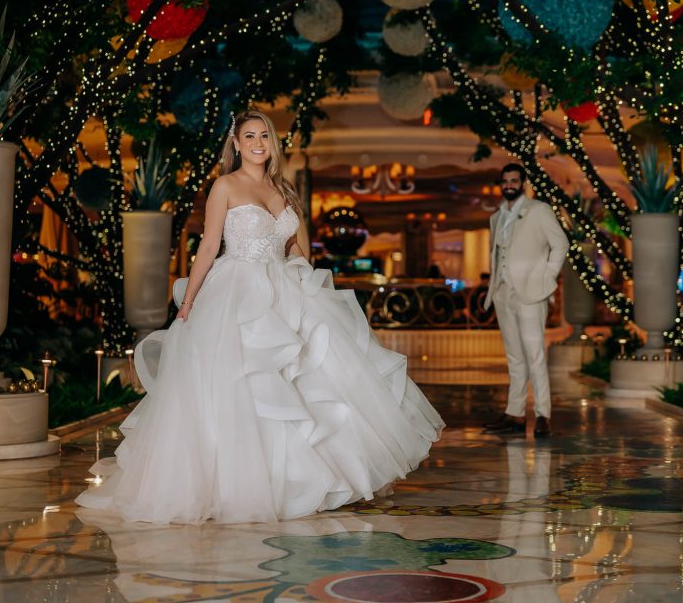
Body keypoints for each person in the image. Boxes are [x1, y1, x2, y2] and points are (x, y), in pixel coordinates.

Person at [76, 110, 444, 524]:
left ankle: (304, 482)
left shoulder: (284, 190)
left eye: (264, 135)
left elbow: (297, 250)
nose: (257, 143)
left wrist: (311, 288)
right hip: (237, 291)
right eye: (248, 135)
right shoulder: (225, 186)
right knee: (244, 384)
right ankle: (240, 484)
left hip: (285, 288)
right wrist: (189, 300)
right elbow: (210, 245)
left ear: (273, 143)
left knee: (305, 380)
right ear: (235, 143)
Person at [482, 163, 567, 438]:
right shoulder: (496, 217)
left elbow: (561, 244)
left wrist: (547, 275)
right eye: (505, 180)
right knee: (514, 357)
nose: (509, 184)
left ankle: (544, 414)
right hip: (503, 292)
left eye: (514, 180)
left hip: (531, 290)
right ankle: (515, 414)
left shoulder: (538, 210)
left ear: (523, 182)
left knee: (535, 355)